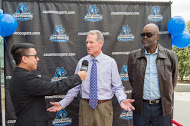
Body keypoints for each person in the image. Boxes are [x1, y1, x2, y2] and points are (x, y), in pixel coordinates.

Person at [47, 30, 135, 126]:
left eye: (91, 42)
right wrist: (62, 103)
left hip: (104, 107)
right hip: (85, 107)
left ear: (100, 43)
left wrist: (122, 100)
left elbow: (117, 87)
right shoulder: (82, 62)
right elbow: (75, 87)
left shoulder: (110, 62)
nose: (88, 45)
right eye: (87, 42)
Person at [9, 43, 87, 126]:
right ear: (24, 59)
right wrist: (77, 77)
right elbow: (54, 88)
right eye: (35, 56)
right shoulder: (25, 78)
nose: (38, 59)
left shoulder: (19, 75)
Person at [127, 23, 178, 126]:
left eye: (149, 35)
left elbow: (173, 80)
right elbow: (133, 79)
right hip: (141, 107)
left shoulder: (170, 55)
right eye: (143, 35)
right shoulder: (133, 56)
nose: (145, 37)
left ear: (157, 36)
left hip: (162, 107)